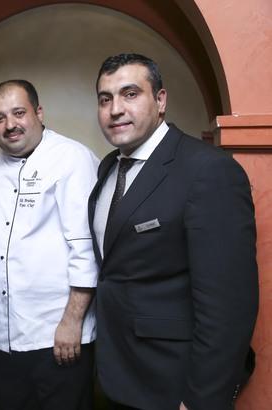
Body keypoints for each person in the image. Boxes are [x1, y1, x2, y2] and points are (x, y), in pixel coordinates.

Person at [89, 53, 259, 410]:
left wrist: (200, 400)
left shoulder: (207, 171)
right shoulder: (108, 168)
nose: (115, 109)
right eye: (105, 99)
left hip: (175, 383)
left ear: (161, 100)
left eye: (130, 94)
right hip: (119, 375)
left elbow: (229, 308)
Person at [0, 80, 99, 410]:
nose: (10, 125)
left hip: (56, 336)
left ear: (39, 113)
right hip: (4, 337)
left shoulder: (71, 158)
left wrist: (72, 323)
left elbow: (86, 249)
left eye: (19, 113)